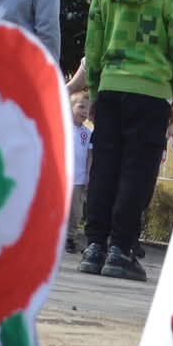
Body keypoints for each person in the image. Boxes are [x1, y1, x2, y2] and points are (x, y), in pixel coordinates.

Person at [72, 0, 173, 283]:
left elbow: (92, 45)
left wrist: (94, 89)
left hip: (110, 87)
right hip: (152, 91)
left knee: (105, 166)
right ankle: (120, 250)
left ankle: (94, 245)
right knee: (137, 171)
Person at [67, 91, 93, 255]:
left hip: (78, 179)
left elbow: (90, 155)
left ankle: (70, 239)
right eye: (81, 106)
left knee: (76, 212)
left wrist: (88, 175)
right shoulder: (61, 127)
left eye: (88, 109)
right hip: (61, 178)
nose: (85, 111)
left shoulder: (87, 134)